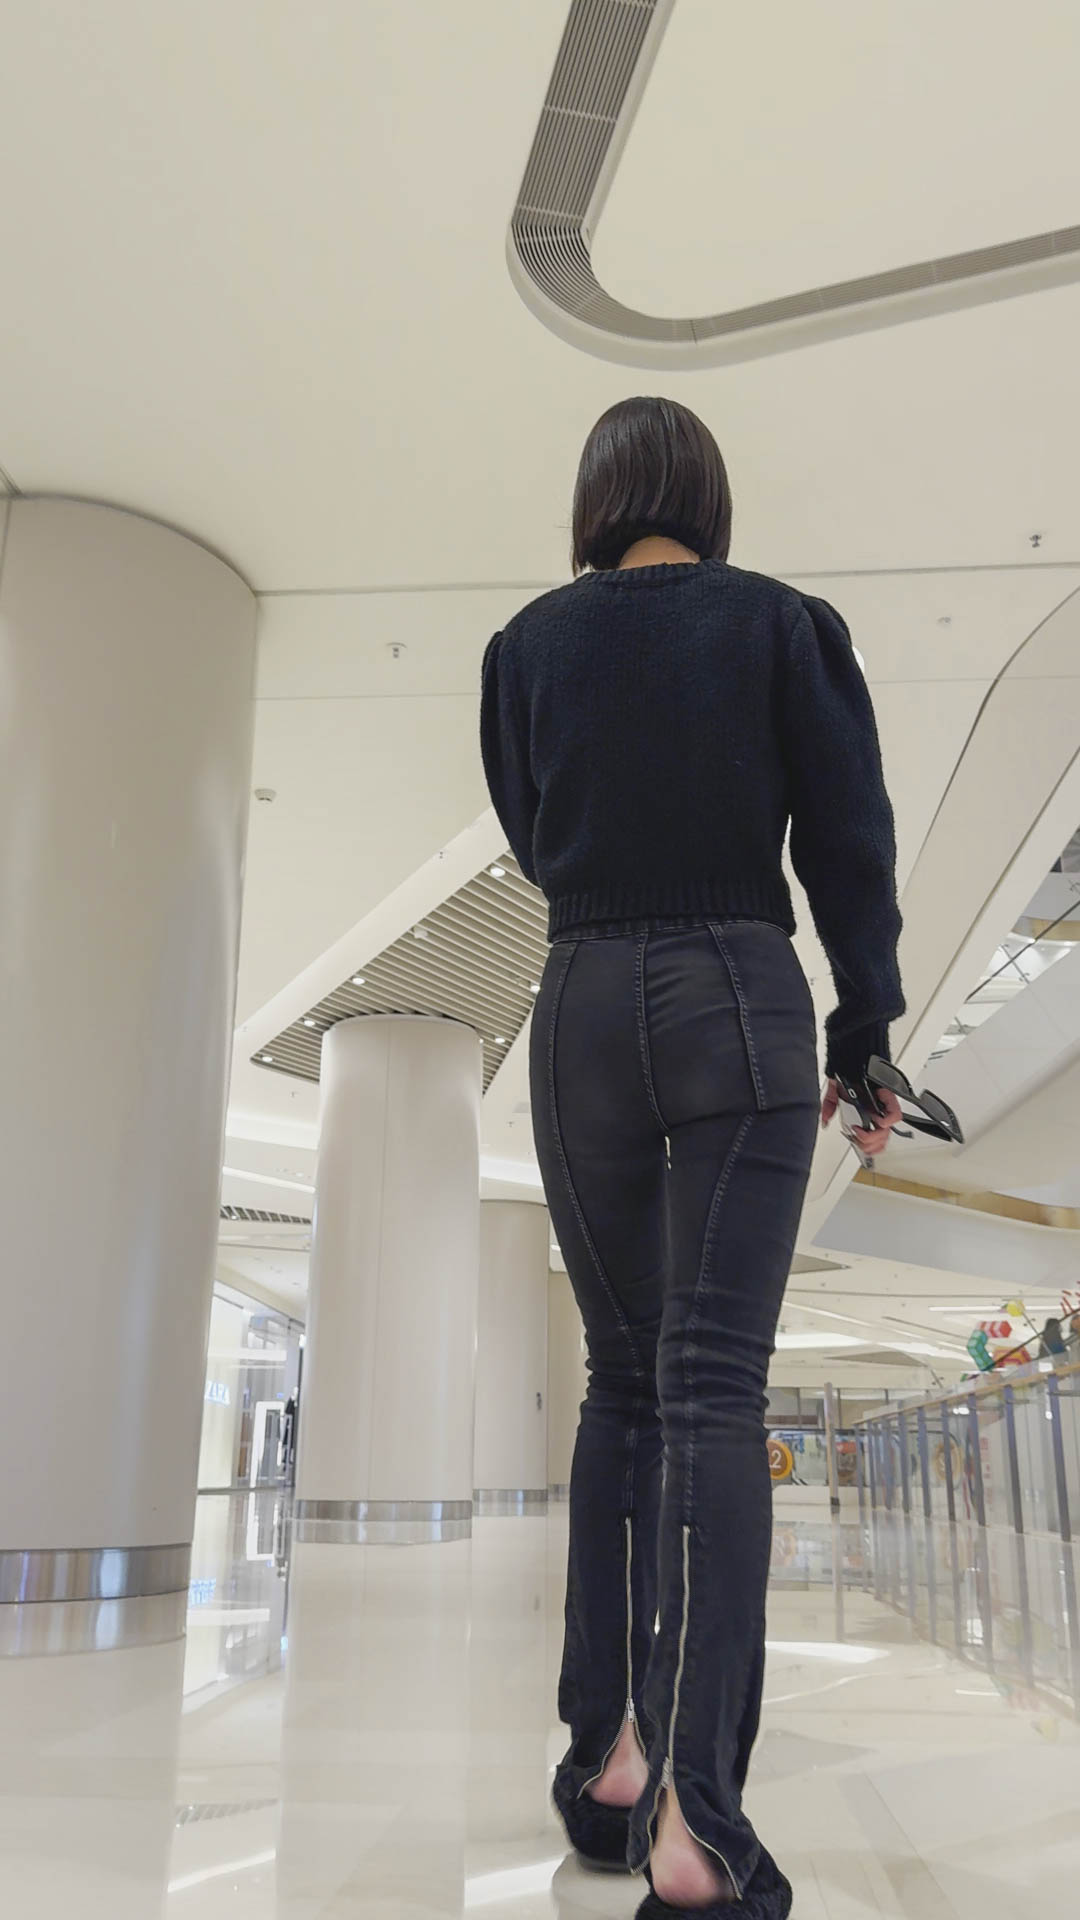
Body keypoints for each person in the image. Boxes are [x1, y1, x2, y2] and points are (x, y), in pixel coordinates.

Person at [480, 397, 904, 1919]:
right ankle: (698, 1826)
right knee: (716, 1388)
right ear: (707, 499)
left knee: (623, 1381)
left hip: (582, 1002)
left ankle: (606, 1753)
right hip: (738, 991)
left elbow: (532, 829)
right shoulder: (782, 625)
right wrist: (866, 1027)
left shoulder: (525, 649)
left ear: (595, 501)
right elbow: (848, 841)